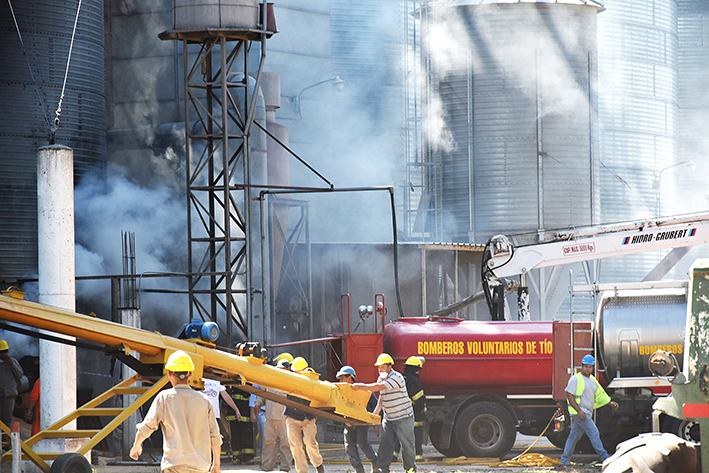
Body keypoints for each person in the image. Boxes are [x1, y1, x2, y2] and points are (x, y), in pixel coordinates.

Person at [130, 350, 221, 473]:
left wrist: (136, 446)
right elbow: (214, 435)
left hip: (174, 467)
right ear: (190, 374)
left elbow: (147, 427)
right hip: (200, 467)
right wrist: (216, 464)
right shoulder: (204, 401)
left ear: (169, 374)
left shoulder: (164, 398)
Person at [352, 353, 416, 473]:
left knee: (407, 445)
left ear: (390, 367)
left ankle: (410, 468)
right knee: (385, 444)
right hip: (389, 418)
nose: (380, 369)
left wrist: (361, 386)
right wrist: (375, 415)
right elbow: (382, 398)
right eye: (378, 367)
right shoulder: (381, 378)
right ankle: (382, 469)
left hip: (404, 418)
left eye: (382, 367)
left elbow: (379, 387)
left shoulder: (397, 377)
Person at [560, 354, 619, 467]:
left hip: (584, 412)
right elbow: (569, 394)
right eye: (585, 366)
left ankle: (564, 460)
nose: (587, 369)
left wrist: (609, 402)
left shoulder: (592, 380)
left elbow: (599, 394)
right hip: (580, 412)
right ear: (582, 366)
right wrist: (579, 411)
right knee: (594, 432)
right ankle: (604, 457)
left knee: (574, 436)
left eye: (590, 367)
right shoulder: (575, 379)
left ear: (593, 368)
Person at [284, 357, 324, 473]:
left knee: (310, 442)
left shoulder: (311, 379)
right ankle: (302, 471)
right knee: (295, 445)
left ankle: (318, 465)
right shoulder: (289, 379)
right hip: (292, 415)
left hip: (308, 417)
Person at [337, 366, 378, 473]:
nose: (340, 381)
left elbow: (375, 404)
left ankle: (375, 462)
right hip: (348, 423)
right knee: (349, 446)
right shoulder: (340, 391)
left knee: (363, 443)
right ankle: (359, 470)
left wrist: (371, 419)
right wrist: (345, 420)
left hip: (362, 423)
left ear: (350, 378)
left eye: (342, 378)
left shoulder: (363, 390)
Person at [257, 358, 294, 471]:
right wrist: (258, 403)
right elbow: (262, 394)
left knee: (285, 444)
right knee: (269, 444)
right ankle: (267, 467)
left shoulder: (291, 382)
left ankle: (285, 468)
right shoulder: (270, 380)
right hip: (270, 417)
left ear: (288, 369)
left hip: (284, 418)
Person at [393, 357, 427, 462]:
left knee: (398, 434)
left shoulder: (400, 378)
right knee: (416, 434)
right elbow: (419, 398)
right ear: (416, 369)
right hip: (413, 412)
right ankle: (418, 456)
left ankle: (393, 455)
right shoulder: (414, 381)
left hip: (398, 411)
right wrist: (422, 408)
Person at [203, 378, 241, 456]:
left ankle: (213, 460)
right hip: (200, 415)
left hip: (214, 415)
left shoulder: (216, 380)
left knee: (214, 439)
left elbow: (226, 396)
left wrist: (236, 409)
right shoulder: (196, 379)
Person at [225, 386, 255, 463]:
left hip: (243, 409)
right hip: (239, 409)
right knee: (238, 433)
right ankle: (239, 456)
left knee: (243, 433)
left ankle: (244, 456)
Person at [0, 339, 23, 429]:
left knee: (7, 420)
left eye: (6, 352)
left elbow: (20, 374)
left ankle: (6, 440)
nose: (4, 354)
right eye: (2, 352)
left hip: (9, 395)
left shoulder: (12, 362)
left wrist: (12, 364)